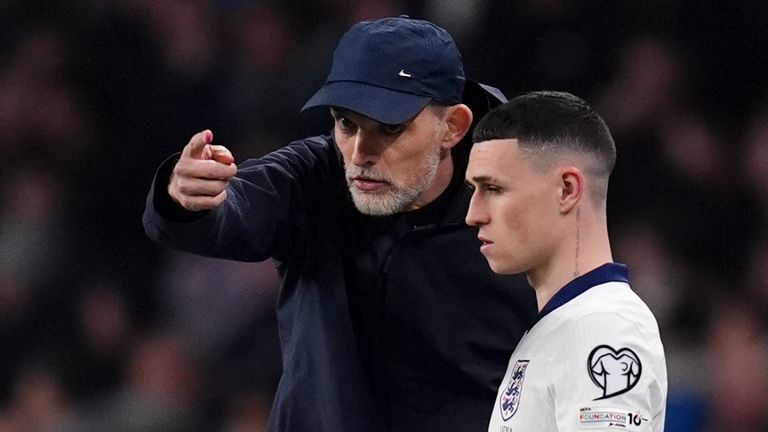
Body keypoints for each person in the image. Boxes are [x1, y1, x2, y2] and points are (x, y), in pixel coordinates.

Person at [143, 16, 537, 432]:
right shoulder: (315, 175)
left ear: (452, 127)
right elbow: (233, 211)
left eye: (390, 127)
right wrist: (186, 194)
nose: (360, 153)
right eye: (347, 124)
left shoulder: (520, 209)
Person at [464, 91, 667, 431]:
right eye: (473, 190)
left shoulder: (603, 326)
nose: (473, 214)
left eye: (494, 189)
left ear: (567, 189)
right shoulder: (565, 324)